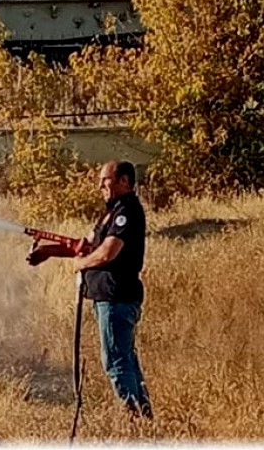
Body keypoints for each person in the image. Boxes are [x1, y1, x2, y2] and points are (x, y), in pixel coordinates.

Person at [27, 160, 152, 419]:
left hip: (116, 299)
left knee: (116, 361)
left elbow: (107, 252)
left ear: (124, 181)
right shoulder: (111, 212)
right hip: (110, 299)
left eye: (105, 179)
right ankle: (144, 419)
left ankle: (134, 420)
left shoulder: (127, 211)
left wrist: (80, 264)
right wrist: (48, 251)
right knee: (125, 359)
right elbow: (87, 246)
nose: (100, 186)